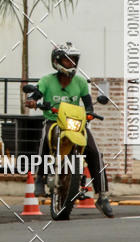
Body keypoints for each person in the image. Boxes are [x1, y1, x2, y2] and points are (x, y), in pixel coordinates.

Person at [25, 42, 113, 218]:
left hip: (75, 124)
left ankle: (102, 196)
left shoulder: (80, 82)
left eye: (73, 59)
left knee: (95, 153)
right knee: (44, 140)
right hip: (54, 121)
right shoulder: (47, 81)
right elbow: (36, 95)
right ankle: (40, 179)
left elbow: (88, 104)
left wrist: (90, 112)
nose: (71, 63)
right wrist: (32, 100)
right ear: (57, 61)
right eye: (67, 60)